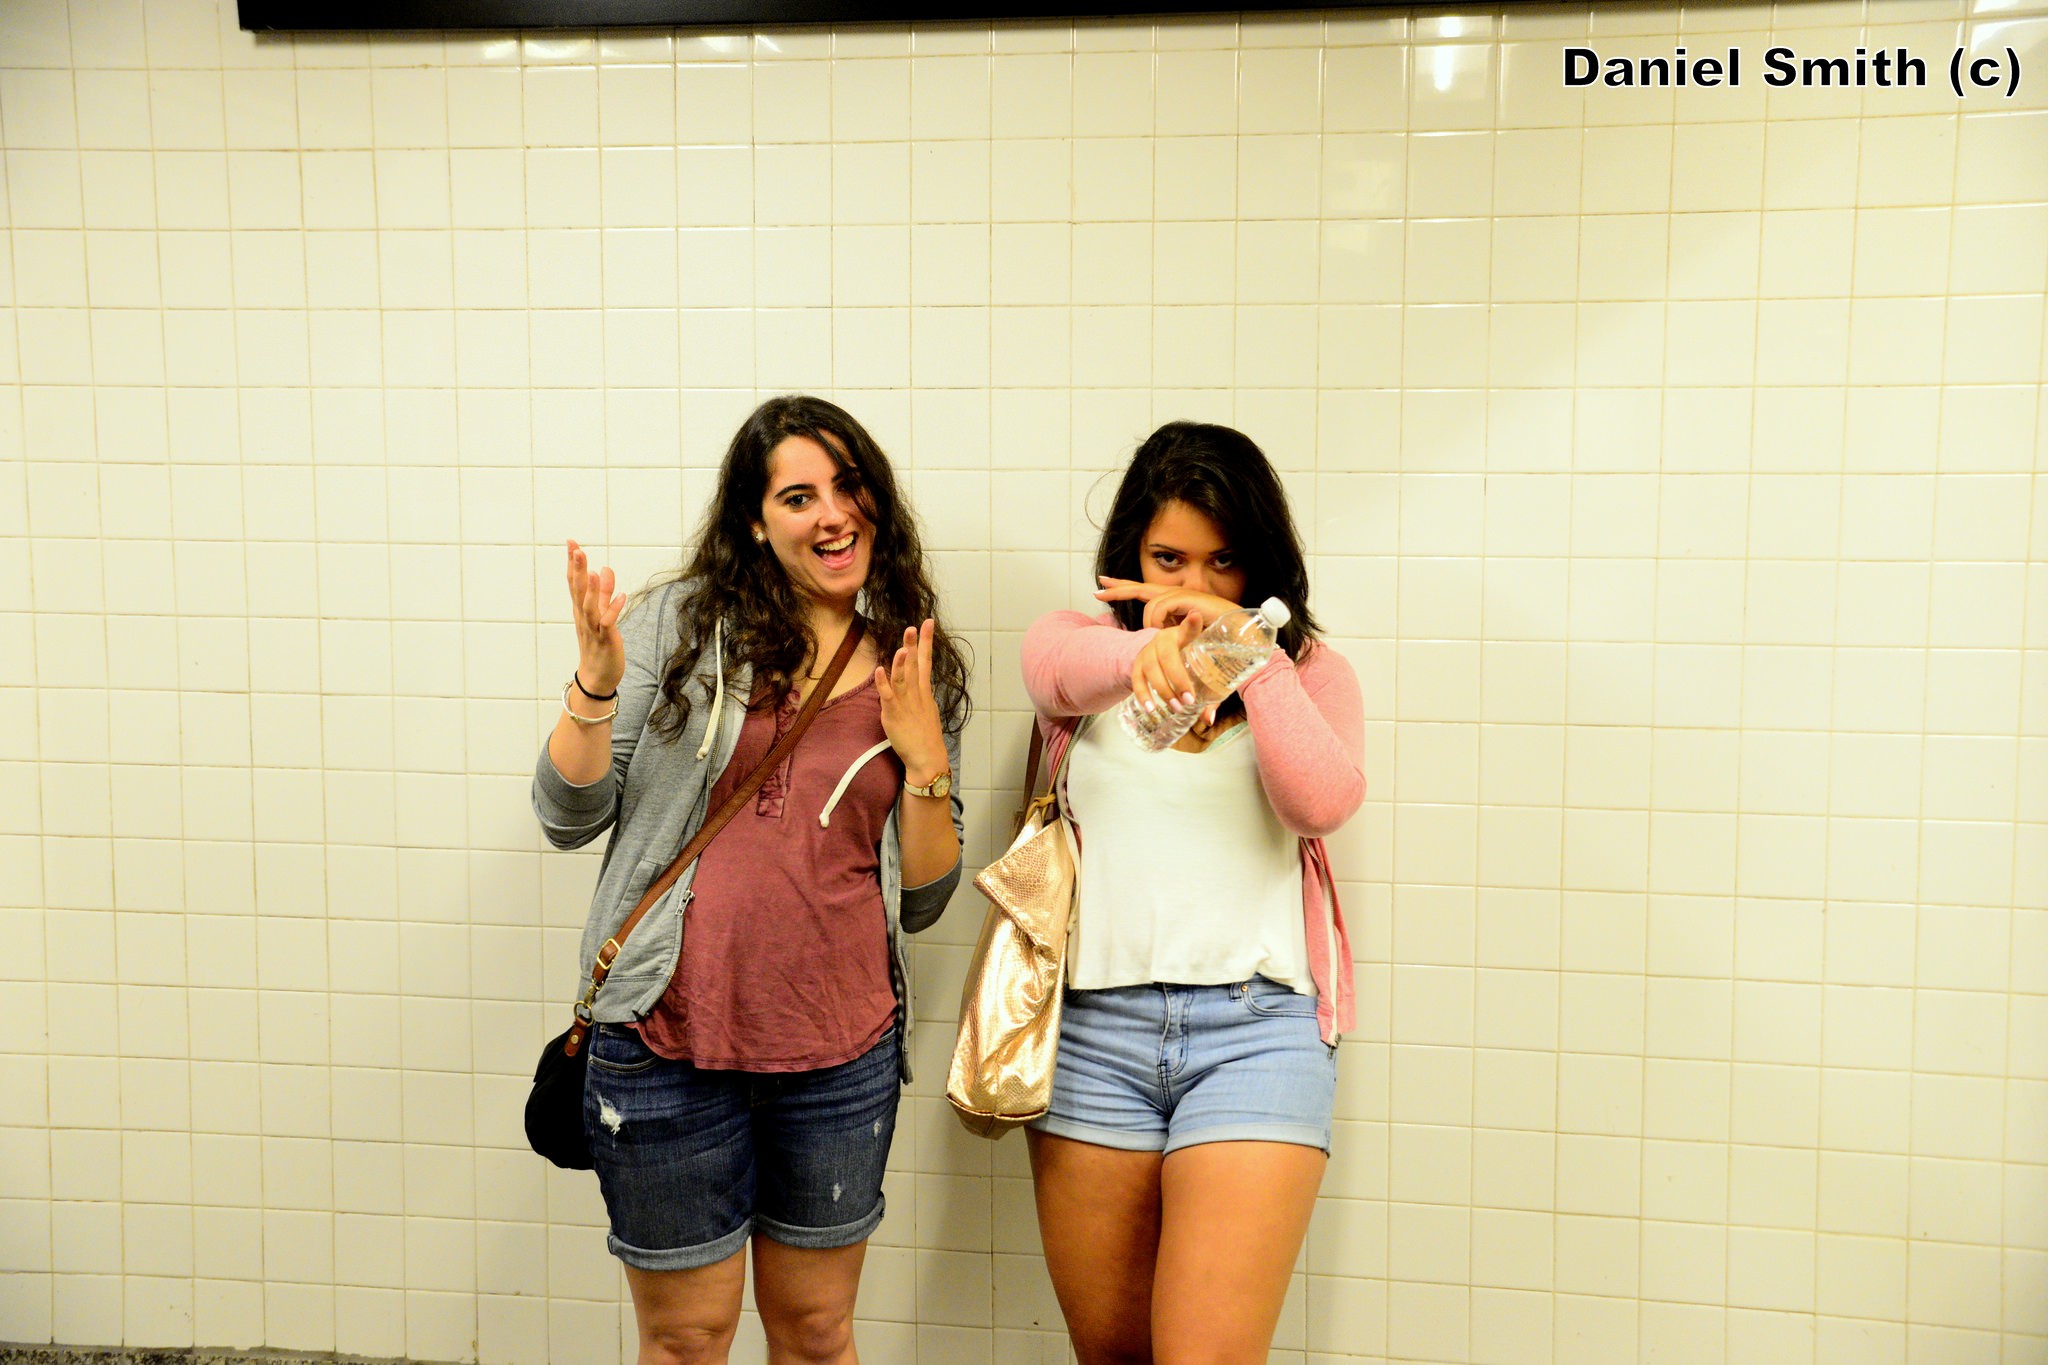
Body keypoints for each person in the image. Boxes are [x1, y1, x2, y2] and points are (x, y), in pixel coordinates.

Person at [532, 395, 968, 1365]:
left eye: (847, 488)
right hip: (664, 1044)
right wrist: (596, 683)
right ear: (754, 523)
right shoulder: (677, 627)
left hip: (839, 1058)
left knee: (816, 1334)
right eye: (798, 495)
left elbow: (925, 898)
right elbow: (566, 817)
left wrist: (925, 755)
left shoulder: (905, 656)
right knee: (687, 1339)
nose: (831, 514)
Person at [1018, 421, 1364, 1364]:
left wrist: (1255, 658)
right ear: (1129, 554)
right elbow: (1055, 671)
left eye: (1221, 563)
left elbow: (1320, 802)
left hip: (1258, 1034)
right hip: (1092, 1041)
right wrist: (1144, 656)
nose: (1192, 589)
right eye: (1167, 558)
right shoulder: (1078, 656)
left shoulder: (1311, 675)